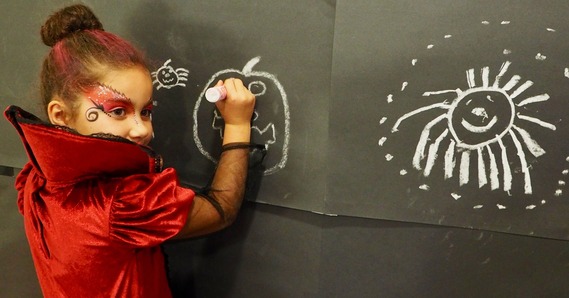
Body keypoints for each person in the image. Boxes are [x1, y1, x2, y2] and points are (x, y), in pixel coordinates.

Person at [4, 4, 260, 297]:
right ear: (60, 115)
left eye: (146, 111)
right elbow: (220, 209)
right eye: (118, 111)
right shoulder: (124, 204)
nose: (142, 130)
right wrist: (238, 124)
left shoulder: (34, 182)